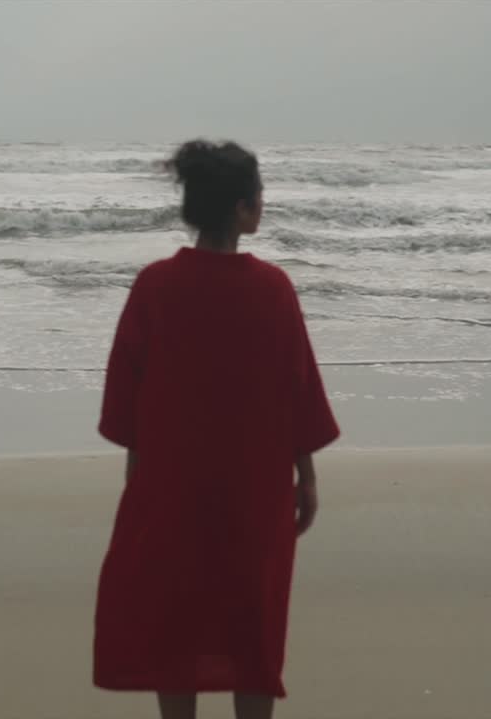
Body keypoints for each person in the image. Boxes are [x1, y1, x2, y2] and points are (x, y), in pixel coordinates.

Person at [94, 139, 340, 719]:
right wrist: (306, 478)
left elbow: (127, 400)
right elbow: (297, 391)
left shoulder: (154, 286)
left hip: (171, 490)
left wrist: (138, 483)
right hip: (254, 493)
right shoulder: (273, 289)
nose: (262, 203)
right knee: (253, 631)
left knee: (175, 627)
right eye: (258, 195)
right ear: (240, 207)